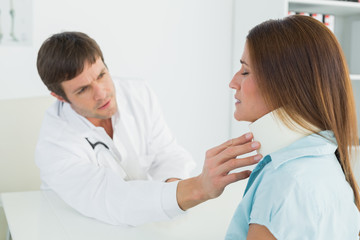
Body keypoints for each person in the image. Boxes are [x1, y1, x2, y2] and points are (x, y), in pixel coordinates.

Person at [35, 31, 262, 227]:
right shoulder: (54, 145)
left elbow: (167, 153)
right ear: (59, 97)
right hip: (73, 226)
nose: (101, 93)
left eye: (102, 75)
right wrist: (196, 189)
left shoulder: (137, 93)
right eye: (83, 89)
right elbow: (110, 200)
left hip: (142, 225)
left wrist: (172, 186)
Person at [225, 15, 360, 239]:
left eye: (245, 72)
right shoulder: (327, 167)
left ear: (286, 85)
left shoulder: (283, 182)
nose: (233, 82)